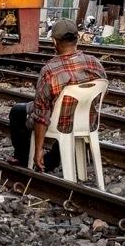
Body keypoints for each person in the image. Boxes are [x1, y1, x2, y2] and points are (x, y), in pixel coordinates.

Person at [8, 18, 107, 171]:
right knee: (56, 113)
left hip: (59, 122)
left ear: (54, 42)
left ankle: (24, 157)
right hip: (87, 121)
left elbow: (41, 116)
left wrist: (38, 150)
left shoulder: (49, 71)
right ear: (77, 38)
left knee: (17, 111)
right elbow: (101, 93)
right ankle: (54, 158)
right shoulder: (95, 63)